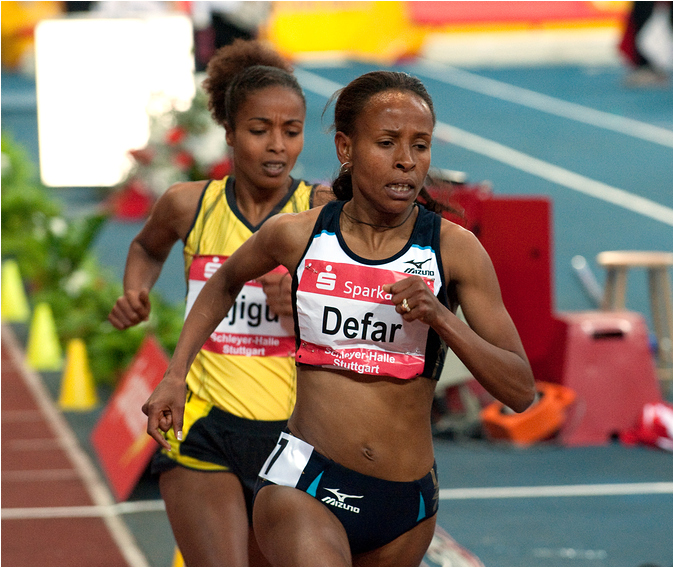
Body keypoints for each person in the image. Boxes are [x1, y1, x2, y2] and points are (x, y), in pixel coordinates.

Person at [143, 70, 536, 566]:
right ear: (345, 148)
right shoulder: (297, 235)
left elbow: (521, 391)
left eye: (421, 145)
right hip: (304, 482)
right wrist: (175, 373)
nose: (406, 161)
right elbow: (223, 281)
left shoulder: (455, 252)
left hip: (406, 504)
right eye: (388, 142)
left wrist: (442, 319)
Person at [108, 39, 332, 566]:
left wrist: (303, 304)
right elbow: (145, 245)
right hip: (203, 424)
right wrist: (135, 290)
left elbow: (362, 318)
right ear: (228, 134)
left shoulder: (321, 213)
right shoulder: (190, 204)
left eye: (291, 131)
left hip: (295, 435)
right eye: (259, 131)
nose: (277, 146)